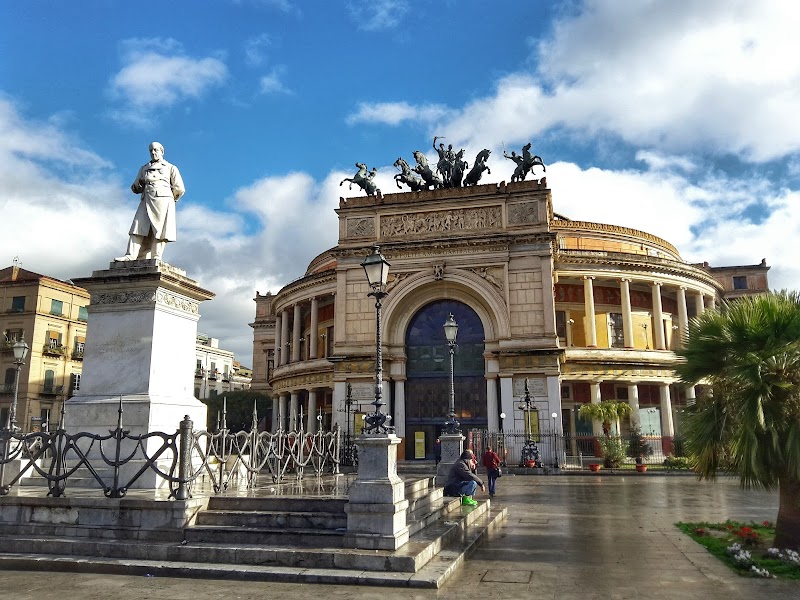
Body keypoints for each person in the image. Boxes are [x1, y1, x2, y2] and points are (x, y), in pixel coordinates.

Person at [116, 141, 185, 262]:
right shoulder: (144, 168)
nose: (153, 153)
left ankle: (156, 256)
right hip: (146, 199)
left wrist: (168, 198)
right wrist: (139, 185)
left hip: (163, 201)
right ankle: (131, 255)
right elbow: (135, 187)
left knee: (159, 229)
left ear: (162, 151)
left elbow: (179, 188)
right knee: (138, 226)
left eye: (156, 150)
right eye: (151, 150)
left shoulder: (170, 168)